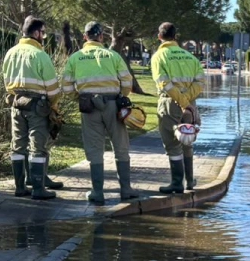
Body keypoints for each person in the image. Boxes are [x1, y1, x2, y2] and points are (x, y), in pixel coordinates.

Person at [64, 21, 146, 204]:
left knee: (94, 149)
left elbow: (66, 86)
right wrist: (121, 96)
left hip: (89, 107)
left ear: (85, 37)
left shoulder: (75, 58)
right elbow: (127, 81)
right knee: (121, 146)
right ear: (101, 37)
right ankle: (125, 189)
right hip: (113, 105)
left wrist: (79, 98)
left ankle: (97, 192)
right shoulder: (113, 55)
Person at [2, 16, 64, 200]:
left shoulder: (10, 53)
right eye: (43, 33)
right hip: (38, 106)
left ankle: (20, 187)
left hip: (16, 104)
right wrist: (54, 105)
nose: (43, 37)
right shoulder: (40, 55)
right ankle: (38, 189)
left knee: (18, 146)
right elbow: (52, 88)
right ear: (36, 33)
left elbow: (7, 82)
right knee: (38, 148)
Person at [149, 23, 204, 194]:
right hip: (190, 105)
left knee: (173, 144)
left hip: (169, 103)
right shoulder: (190, 57)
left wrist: (182, 101)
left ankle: (177, 183)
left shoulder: (158, 56)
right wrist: (187, 101)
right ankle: (190, 181)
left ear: (159, 37)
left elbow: (164, 84)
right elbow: (201, 82)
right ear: (175, 36)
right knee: (187, 140)